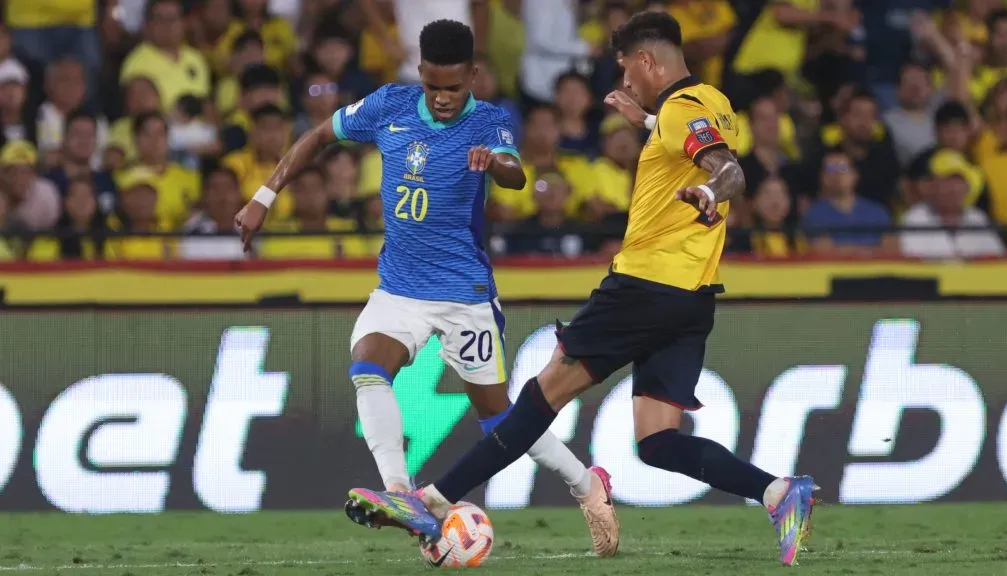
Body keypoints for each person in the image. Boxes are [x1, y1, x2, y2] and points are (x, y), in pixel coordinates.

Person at [342, 11, 817, 567]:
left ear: (646, 60)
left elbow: (727, 168)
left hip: (643, 285)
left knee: (534, 404)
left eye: (626, 68)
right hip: (693, 296)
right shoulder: (712, 103)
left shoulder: (683, 111)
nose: (624, 81)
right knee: (659, 441)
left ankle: (429, 500)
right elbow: (689, 138)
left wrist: (712, 189)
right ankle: (780, 494)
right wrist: (644, 119)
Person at [232, 19, 619, 557]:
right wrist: (264, 196)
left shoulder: (487, 119)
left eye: (454, 87)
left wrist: (494, 163)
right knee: (368, 365)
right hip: (399, 289)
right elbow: (320, 136)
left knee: (499, 419)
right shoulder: (388, 105)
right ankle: (400, 494)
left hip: (464, 296)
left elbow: (515, 173)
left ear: (473, 77)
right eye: (434, 85)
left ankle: (586, 484)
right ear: (421, 75)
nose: (443, 97)